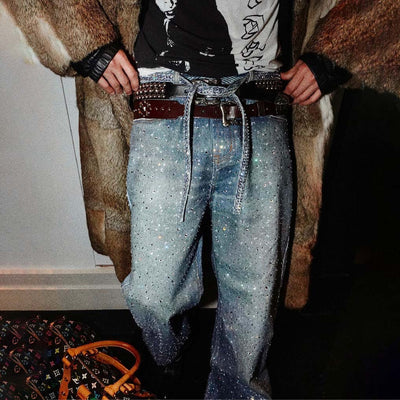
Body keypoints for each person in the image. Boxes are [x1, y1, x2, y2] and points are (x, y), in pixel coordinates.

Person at [3, 0, 398, 398]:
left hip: (260, 104)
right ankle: (168, 354)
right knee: (155, 293)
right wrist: (87, 42)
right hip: (162, 102)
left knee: (255, 299)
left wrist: (335, 52)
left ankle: (238, 391)